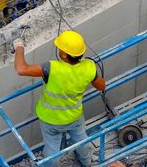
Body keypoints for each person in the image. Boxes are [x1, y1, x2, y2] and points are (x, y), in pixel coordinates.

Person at [13, 30, 106, 167]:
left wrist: (19, 47)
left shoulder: (52, 68)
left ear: (63, 54)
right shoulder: (89, 68)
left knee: (52, 150)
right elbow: (101, 86)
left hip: (50, 120)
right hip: (74, 117)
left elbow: (21, 69)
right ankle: (86, 163)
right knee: (82, 142)